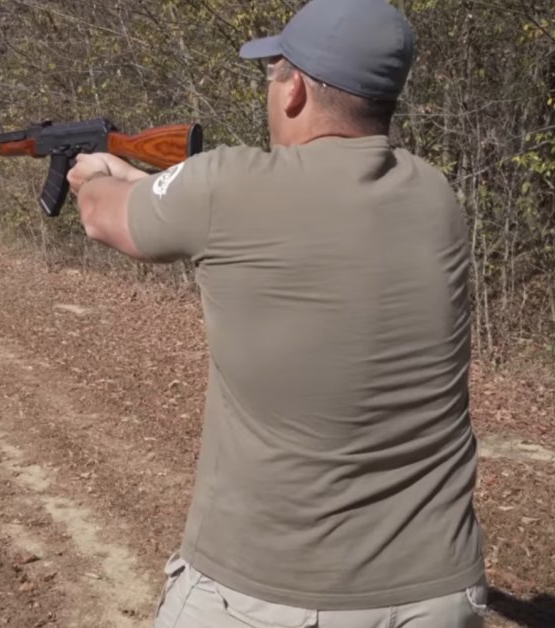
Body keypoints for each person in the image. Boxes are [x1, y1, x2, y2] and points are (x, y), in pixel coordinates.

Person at [66, 0, 489, 626]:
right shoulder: (435, 194)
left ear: (294, 90)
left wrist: (94, 172)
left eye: (274, 73)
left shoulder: (225, 184)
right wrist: (138, 178)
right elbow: (224, 202)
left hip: (265, 595)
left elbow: (102, 216)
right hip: (437, 592)